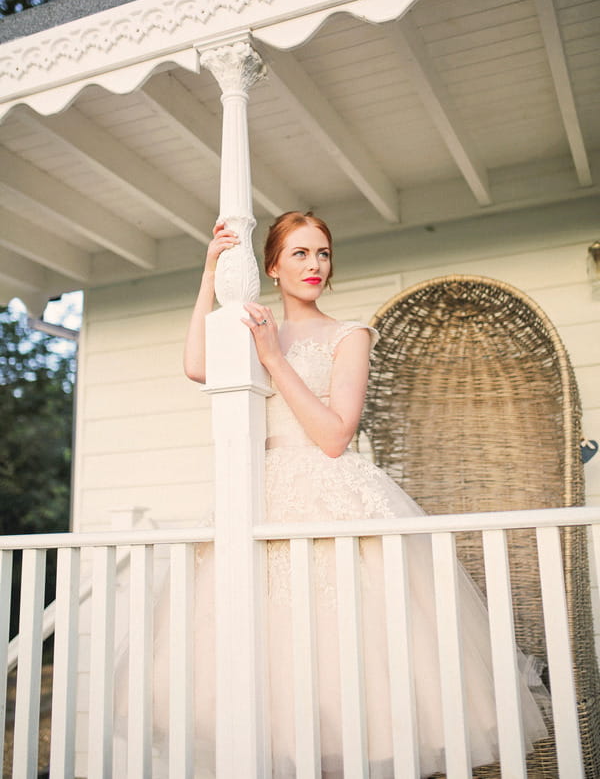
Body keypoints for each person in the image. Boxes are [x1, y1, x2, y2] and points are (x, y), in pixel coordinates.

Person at [181, 211, 549, 778]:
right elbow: (196, 365)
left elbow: (333, 436)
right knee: (275, 666)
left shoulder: (348, 335)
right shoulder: (250, 325)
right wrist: (210, 272)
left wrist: (274, 358)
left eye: (323, 253)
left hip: (330, 494)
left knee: (351, 661)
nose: (314, 265)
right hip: (261, 497)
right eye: (300, 254)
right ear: (272, 266)